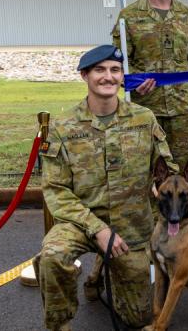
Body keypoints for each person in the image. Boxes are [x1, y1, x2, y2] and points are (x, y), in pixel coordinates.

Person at [35, 45, 176, 331]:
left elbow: (168, 172)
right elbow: (56, 190)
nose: (108, 77)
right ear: (84, 75)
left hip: (131, 226)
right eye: (99, 70)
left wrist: (161, 193)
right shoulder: (63, 128)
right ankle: (58, 325)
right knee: (52, 257)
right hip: (80, 222)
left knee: (139, 318)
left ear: (122, 76)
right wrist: (98, 229)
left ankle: (102, 271)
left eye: (114, 70)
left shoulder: (143, 119)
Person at [112, 0, 188, 169]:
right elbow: (118, 63)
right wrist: (131, 83)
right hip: (145, 106)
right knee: (147, 166)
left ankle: (182, 206)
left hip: (182, 109)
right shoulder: (129, 15)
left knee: (183, 169)